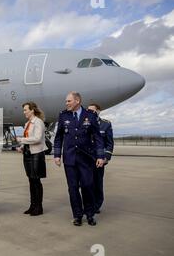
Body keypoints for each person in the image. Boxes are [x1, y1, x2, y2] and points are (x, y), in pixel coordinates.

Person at [54, 91, 105, 226]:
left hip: (86, 158)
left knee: (87, 186)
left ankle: (90, 214)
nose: (67, 103)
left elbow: (98, 137)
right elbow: (58, 137)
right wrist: (57, 155)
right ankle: (77, 215)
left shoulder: (90, 115)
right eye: (66, 101)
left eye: (69, 101)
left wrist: (100, 156)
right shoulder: (63, 115)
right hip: (69, 158)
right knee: (73, 188)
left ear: (77, 101)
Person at [16, 102, 47, 216]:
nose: (24, 112)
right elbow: (29, 139)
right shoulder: (27, 123)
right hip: (28, 154)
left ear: (32, 110)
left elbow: (38, 138)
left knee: (36, 181)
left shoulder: (38, 122)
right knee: (31, 180)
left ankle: (39, 207)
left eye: (25, 110)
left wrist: (22, 140)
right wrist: (22, 147)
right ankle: (32, 205)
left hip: (36, 154)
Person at [87, 103, 114, 214]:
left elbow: (109, 143)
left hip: (99, 159)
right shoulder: (85, 123)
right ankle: (89, 204)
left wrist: (106, 157)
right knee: (87, 183)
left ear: (98, 111)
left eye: (92, 111)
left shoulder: (105, 124)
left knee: (97, 183)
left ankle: (97, 205)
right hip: (87, 159)